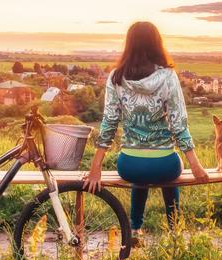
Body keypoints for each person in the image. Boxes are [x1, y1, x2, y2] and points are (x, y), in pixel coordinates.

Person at [83, 21, 210, 239]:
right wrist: (196, 166)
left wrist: (96, 167)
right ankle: (174, 230)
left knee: (140, 177)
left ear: (129, 45)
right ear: (157, 44)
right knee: (171, 167)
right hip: (164, 165)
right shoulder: (168, 77)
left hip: (129, 165)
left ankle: (135, 229)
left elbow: (109, 123)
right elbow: (179, 123)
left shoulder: (116, 77)